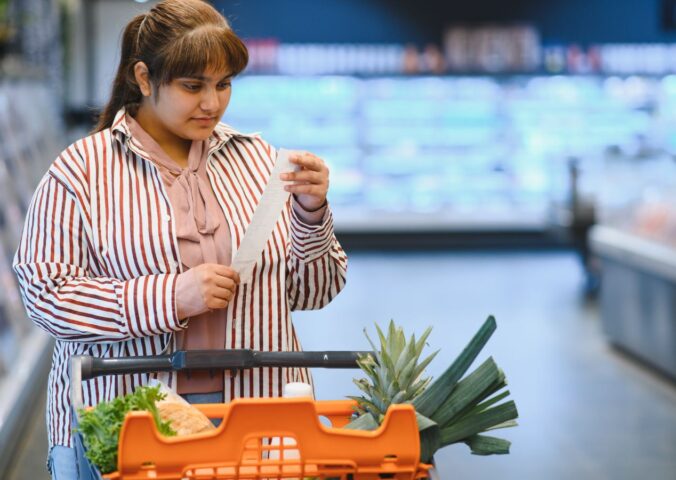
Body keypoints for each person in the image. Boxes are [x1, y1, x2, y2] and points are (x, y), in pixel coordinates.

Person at [12, 0, 347, 478]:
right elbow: (46, 298)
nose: (212, 103)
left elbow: (314, 292)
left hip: (257, 426)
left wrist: (311, 215)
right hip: (128, 429)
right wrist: (170, 296)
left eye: (224, 84)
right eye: (193, 86)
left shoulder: (259, 163)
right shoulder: (81, 172)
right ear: (145, 78)